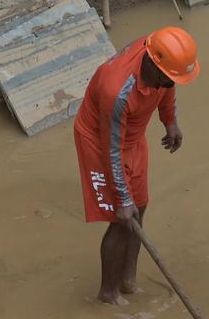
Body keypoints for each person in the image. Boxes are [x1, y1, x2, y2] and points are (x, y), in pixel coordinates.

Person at [73, 26, 199, 304]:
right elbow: (111, 149)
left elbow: (168, 88)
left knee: (138, 208)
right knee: (122, 219)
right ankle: (108, 292)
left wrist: (170, 121)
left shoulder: (162, 67)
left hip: (132, 134)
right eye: (166, 79)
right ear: (153, 65)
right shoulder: (117, 91)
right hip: (101, 143)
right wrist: (121, 197)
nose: (169, 84)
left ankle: (128, 280)